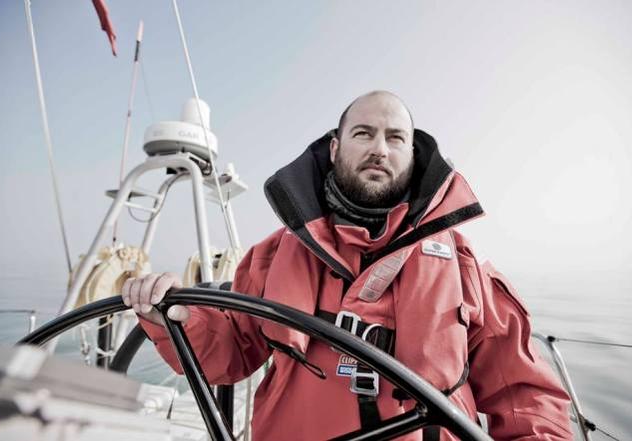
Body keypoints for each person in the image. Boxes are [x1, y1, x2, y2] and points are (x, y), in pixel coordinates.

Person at [123, 91, 573, 440]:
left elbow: (525, 395)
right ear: (336, 148)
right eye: (363, 134)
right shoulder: (272, 256)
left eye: (396, 138)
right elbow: (232, 352)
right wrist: (175, 318)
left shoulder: (462, 264)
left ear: (413, 156)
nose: (380, 148)